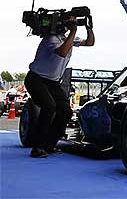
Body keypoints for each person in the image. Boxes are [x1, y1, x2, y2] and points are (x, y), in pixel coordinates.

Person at [25, 16, 95, 158]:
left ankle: (49, 146)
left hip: (53, 82)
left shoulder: (66, 38)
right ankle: (37, 148)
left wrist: (89, 27)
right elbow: (62, 52)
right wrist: (73, 31)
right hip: (36, 79)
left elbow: (90, 42)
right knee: (49, 106)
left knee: (65, 111)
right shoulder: (50, 40)